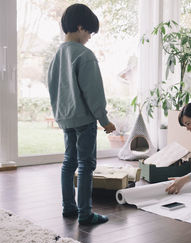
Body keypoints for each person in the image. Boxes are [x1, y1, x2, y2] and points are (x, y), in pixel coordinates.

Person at [47, 4, 115, 225]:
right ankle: (85, 214)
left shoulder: (57, 55)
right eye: (88, 32)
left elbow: (54, 87)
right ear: (79, 27)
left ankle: (69, 208)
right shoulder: (84, 55)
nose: (89, 38)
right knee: (86, 164)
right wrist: (104, 121)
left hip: (65, 118)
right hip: (84, 120)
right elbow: (94, 93)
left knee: (69, 162)